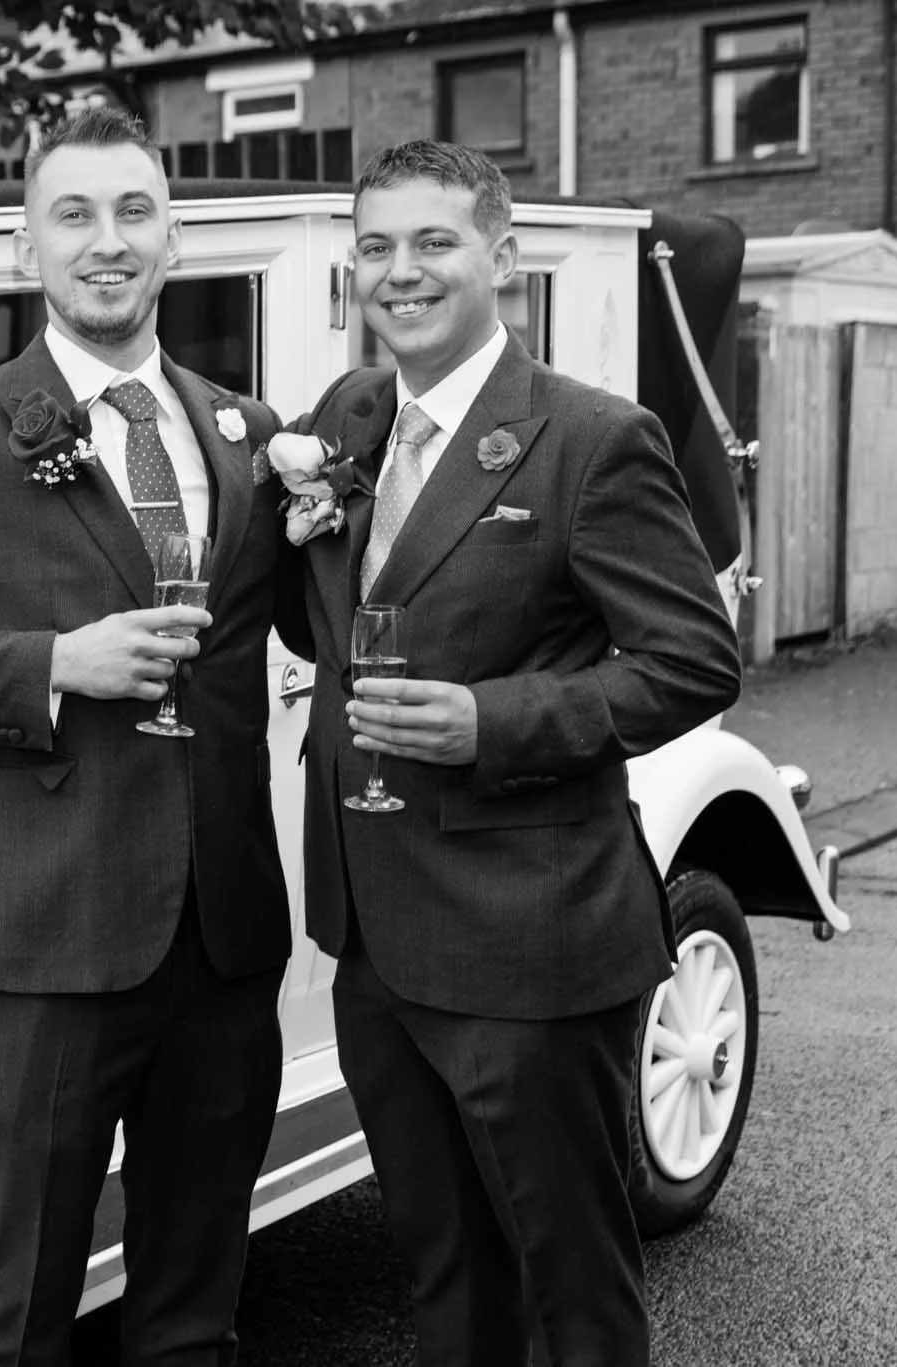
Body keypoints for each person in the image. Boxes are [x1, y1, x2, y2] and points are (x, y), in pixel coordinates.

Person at [0, 106, 301, 1367]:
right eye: (74, 216)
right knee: (22, 1310)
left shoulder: (241, 429)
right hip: (46, 940)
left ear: (173, 238)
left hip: (225, 935)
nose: (107, 242)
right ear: (27, 246)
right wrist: (53, 665)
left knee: (194, 1309)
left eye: (132, 212)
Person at [286, 139, 742, 1367]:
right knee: (442, 1284)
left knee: (571, 1294)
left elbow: (694, 660)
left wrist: (490, 722)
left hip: (528, 946)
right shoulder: (342, 419)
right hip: (373, 944)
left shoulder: (592, 438)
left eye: (432, 242)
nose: (400, 272)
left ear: (501, 257)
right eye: (375, 246)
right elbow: (319, 616)